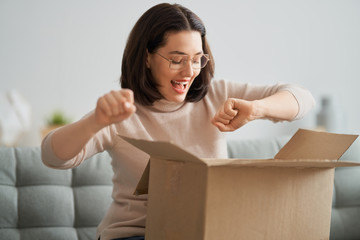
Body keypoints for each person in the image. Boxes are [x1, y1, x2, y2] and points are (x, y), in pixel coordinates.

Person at [41, 3, 315, 240]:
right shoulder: (121, 112)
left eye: (197, 60)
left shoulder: (216, 95)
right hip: (135, 234)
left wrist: (257, 109)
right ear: (147, 57)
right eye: (177, 60)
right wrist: (94, 123)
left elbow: (302, 99)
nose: (190, 71)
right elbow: (53, 156)